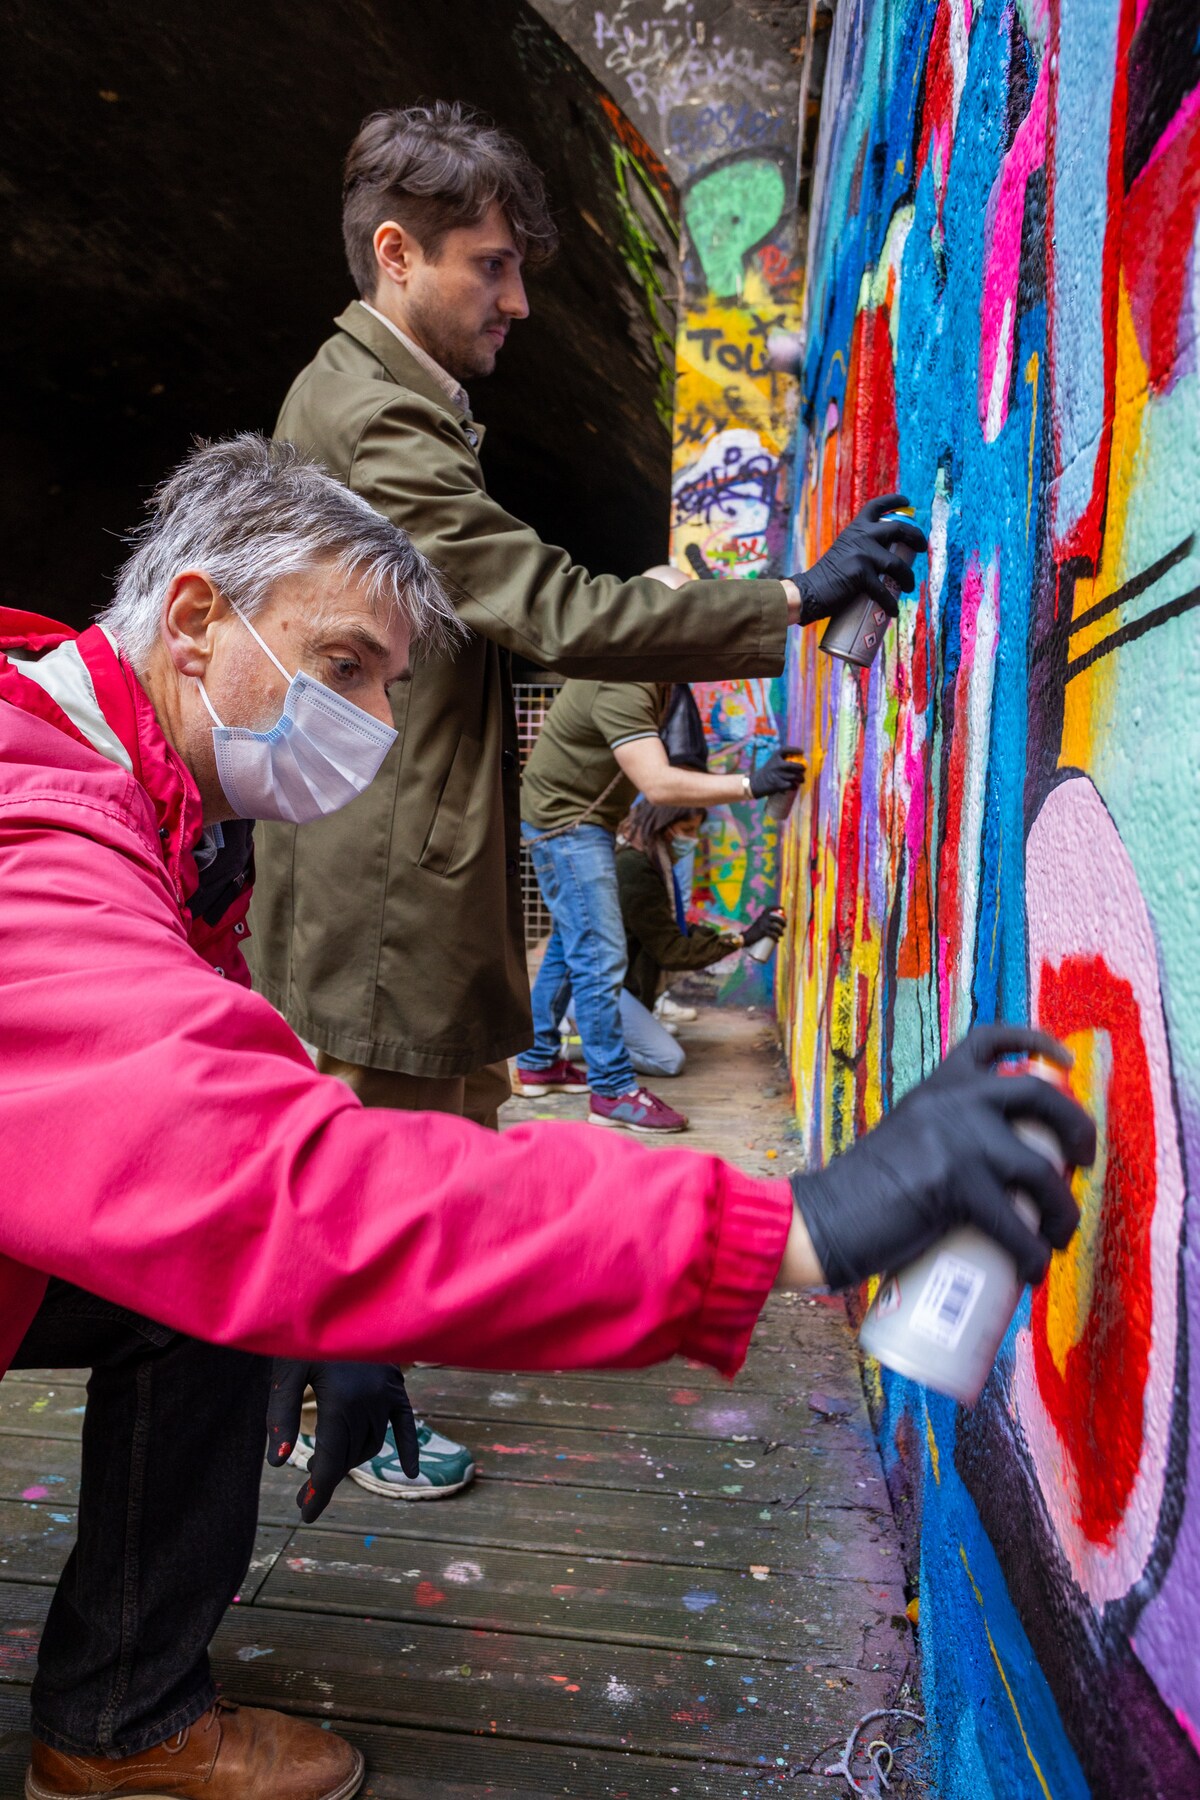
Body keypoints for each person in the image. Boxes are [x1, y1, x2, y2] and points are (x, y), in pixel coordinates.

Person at [0, 433, 1095, 1800]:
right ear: (196, 617)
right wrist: (789, 1225)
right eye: (344, 668)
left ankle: (117, 1726)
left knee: (207, 1297)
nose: (375, 726)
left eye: (390, 688)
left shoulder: (152, 799)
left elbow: (227, 1086)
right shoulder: (35, 824)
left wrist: (330, 1319)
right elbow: (249, 1171)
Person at [515, 669, 805, 1130]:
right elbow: (659, 783)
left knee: (569, 952)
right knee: (598, 956)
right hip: (569, 824)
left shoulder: (647, 670)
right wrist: (751, 783)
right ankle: (611, 1089)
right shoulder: (629, 675)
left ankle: (538, 1060)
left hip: (569, 820)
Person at [609, 800, 783, 1076]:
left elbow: (672, 931)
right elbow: (672, 950)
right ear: (663, 823)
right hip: (599, 989)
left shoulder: (650, 859)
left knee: (661, 1046)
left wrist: (741, 936)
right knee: (669, 1060)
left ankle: (594, 1046)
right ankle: (595, 1051)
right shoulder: (634, 867)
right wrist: (742, 939)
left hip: (616, 985)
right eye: (686, 829)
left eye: (695, 830)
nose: (692, 839)